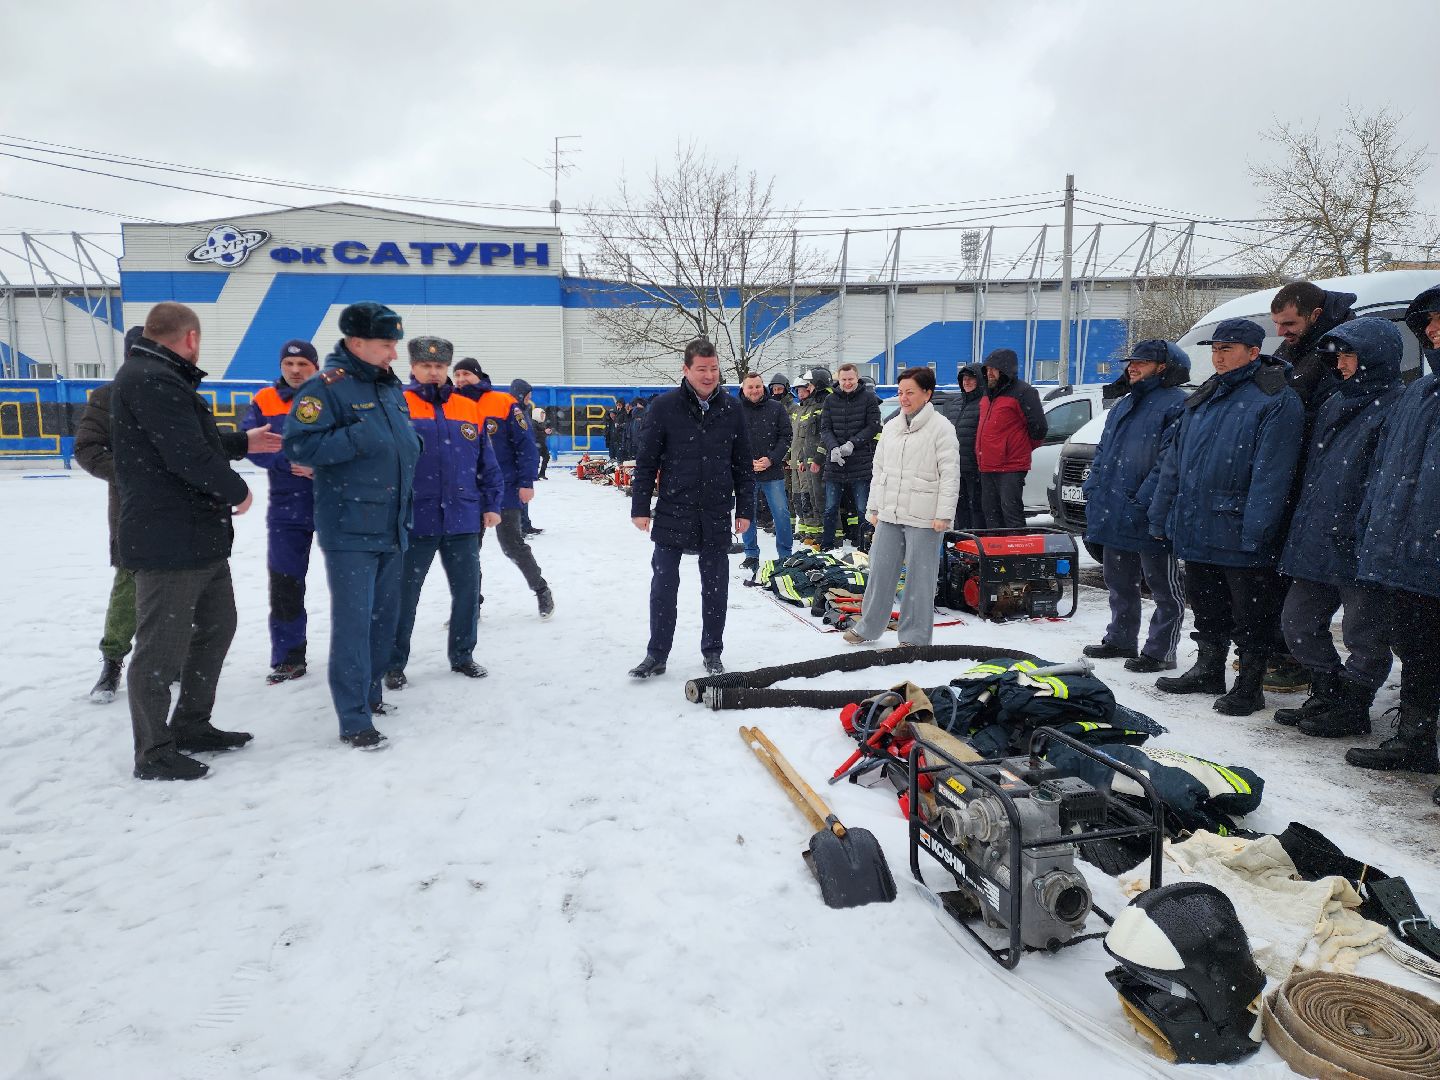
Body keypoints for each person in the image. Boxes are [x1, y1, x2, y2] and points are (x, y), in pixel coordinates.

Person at [111, 302, 281, 780]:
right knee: (159, 650)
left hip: (198, 538)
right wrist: (238, 489)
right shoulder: (150, 378)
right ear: (190, 338)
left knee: (216, 627)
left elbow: (189, 441)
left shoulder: (160, 376)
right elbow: (185, 455)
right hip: (169, 541)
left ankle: (191, 724)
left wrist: (244, 443)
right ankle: (153, 750)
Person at [1147, 318, 1303, 716]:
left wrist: (1257, 532)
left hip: (1239, 530)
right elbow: (1174, 463)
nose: (1218, 357)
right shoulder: (1207, 394)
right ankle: (1208, 669)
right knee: (1207, 604)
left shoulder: (1275, 399)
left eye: (1227, 349)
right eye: (1215, 350)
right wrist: (1163, 513)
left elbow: (1273, 475)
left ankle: (1249, 686)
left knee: (1251, 614)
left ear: (1254, 352)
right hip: (1199, 525)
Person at [283, 301, 421, 750]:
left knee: (384, 620)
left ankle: (372, 693)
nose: (394, 355)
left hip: (393, 522)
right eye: (386, 345)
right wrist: (360, 437)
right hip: (350, 528)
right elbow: (300, 447)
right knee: (353, 624)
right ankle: (353, 718)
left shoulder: (387, 387)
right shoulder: (326, 389)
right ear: (356, 343)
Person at [1274, 318, 1404, 738]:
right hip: (1317, 536)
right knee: (1297, 623)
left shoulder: (1396, 406)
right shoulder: (1335, 402)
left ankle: (1354, 705)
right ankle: (1329, 690)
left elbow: (1387, 480)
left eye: (1350, 355)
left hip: (1360, 541)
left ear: (1375, 358)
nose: (1343, 364)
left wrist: (1367, 532)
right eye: (1340, 356)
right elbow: (1317, 472)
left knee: (1363, 634)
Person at [1345, 286, 1440, 803]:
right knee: (1421, 653)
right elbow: (1386, 474)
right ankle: (1416, 740)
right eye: (1428, 323)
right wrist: (1372, 529)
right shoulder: (1417, 394)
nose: (1431, 331)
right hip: (1408, 554)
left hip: (1430, 550)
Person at [629, 338, 753, 678]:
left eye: (714, 369)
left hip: (714, 512)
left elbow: (742, 465)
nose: (709, 375)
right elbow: (646, 461)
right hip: (673, 508)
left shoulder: (732, 409)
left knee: (715, 587)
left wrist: (745, 510)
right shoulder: (664, 407)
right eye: (702, 369)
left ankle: (712, 652)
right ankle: (657, 654)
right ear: (686, 370)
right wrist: (640, 506)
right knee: (664, 585)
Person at [387, 337, 503, 688]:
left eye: (439, 367)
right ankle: (393, 663)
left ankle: (463, 655)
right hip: (413, 519)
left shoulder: (467, 408)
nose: (433, 372)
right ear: (413, 368)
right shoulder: (398, 405)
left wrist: (492, 503)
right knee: (404, 596)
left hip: (462, 517)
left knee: (467, 592)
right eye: (426, 366)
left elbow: (487, 461)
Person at [1081, 341, 1190, 672]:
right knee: (1119, 581)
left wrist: (1143, 499)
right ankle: (1121, 638)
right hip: (1113, 507)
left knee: (1163, 586)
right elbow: (1104, 451)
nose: (1133, 366)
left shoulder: (1177, 405)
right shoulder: (1125, 403)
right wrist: (1095, 487)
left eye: (1142, 361)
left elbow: (1169, 461)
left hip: (1149, 511)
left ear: (1163, 367)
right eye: (1132, 361)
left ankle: (1160, 651)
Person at [842, 367, 959, 648]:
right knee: (880, 570)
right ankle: (868, 627)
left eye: (910, 392)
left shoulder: (942, 428)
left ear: (927, 394)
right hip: (891, 512)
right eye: (900, 392)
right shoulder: (892, 425)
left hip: (925, 516)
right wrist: (874, 508)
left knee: (920, 579)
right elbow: (879, 470)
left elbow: (950, 475)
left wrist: (944, 515)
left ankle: (914, 637)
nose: (903, 398)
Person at [241, 339, 319, 684]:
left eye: (303, 364)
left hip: (338, 501)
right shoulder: (265, 400)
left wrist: (323, 465)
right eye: (290, 365)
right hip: (289, 507)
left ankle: (362, 652)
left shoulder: (336, 398)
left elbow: (358, 442)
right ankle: (289, 656)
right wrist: (290, 462)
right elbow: (252, 444)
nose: (296, 370)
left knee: (353, 583)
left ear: (315, 367)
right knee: (286, 581)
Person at [73, 326, 144, 703]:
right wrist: (135, 472)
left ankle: (176, 659)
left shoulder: (176, 393)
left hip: (179, 515)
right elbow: (87, 449)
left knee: (182, 590)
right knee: (128, 591)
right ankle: (112, 661)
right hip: (131, 513)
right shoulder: (107, 397)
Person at [451, 359, 554, 620]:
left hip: (503, 487)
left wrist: (526, 481)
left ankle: (541, 589)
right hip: (467, 489)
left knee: (511, 544)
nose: (461, 378)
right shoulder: (449, 403)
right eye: (457, 374)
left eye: (466, 374)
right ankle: (470, 605)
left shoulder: (502, 402)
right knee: (467, 550)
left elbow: (526, 445)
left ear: (478, 375)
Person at [974, 348, 1047, 529]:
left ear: (1005, 370)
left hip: (1011, 466)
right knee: (991, 515)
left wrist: (1015, 448)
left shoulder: (1024, 392)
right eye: (987, 368)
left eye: (994, 369)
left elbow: (1039, 429)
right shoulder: (987, 393)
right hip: (987, 465)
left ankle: (1016, 555)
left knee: (1011, 515)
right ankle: (995, 555)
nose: (989, 372)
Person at [819, 363, 881, 551]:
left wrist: (852, 443)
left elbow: (873, 426)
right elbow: (825, 428)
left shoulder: (869, 398)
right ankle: (827, 545)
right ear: (838, 379)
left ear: (857, 378)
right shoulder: (830, 400)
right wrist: (834, 448)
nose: (847, 383)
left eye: (850, 379)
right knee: (830, 508)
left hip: (860, 462)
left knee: (863, 509)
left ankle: (865, 546)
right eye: (843, 379)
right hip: (835, 463)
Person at [738, 371, 793, 570]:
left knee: (781, 514)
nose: (754, 390)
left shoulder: (776, 408)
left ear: (764, 387)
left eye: (758, 386)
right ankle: (751, 554)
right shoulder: (734, 410)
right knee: (746, 514)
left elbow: (786, 436)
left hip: (772, 471)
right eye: (750, 387)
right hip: (745, 473)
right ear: (743, 389)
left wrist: (771, 459)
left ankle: (785, 555)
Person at [932, 363, 985, 530]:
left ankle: (977, 541)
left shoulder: (985, 403)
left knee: (976, 507)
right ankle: (963, 540)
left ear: (980, 380)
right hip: (955, 466)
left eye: (971, 379)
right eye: (964, 378)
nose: (966, 382)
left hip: (976, 467)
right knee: (959, 507)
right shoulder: (955, 403)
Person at [788, 368, 831, 548]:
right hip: (804, 459)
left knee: (820, 498)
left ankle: (825, 534)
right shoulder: (802, 409)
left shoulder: (822, 405)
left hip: (818, 459)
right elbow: (796, 438)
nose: (800, 392)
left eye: (805, 387)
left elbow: (821, 435)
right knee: (806, 497)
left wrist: (816, 457)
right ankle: (812, 531)